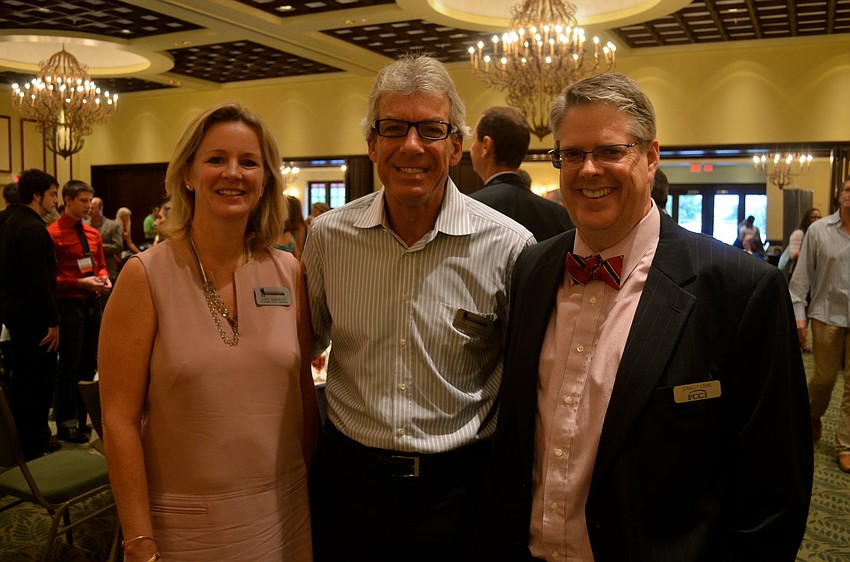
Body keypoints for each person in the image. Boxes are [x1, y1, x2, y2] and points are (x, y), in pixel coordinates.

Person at [479, 73, 813, 561]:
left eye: (610, 151)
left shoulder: (741, 290)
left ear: (652, 156)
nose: (588, 169)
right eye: (571, 154)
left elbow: (774, 496)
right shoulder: (533, 268)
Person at [302, 54, 534, 561]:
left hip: (462, 494)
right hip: (349, 490)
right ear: (372, 144)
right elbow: (300, 350)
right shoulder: (328, 238)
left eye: (431, 129)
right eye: (393, 128)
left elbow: (527, 383)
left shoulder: (509, 246)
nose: (411, 145)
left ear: (456, 146)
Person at [99, 102, 317, 562]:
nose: (233, 173)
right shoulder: (144, 276)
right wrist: (138, 539)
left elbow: (302, 394)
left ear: (265, 180)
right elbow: (119, 421)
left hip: (282, 513)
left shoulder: (288, 272)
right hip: (184, 525)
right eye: (216, 159)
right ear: (187, 174)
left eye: (249, 162)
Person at [790, 179, 850, 473]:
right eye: (848, 190)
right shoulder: (819, 230)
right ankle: (813, 412)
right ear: (839, 196)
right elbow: (802, 277)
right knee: (824, 380)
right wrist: (798, 314)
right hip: (826, 314)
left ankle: (845, 445)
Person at [0, 170, 60, 460]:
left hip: (16, 313)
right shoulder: (33, 228)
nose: (55, 200)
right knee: (36, 383)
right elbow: (39, 283)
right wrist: (53, 322)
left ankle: (18, 444)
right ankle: (34, 445)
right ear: (37, 196)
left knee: (22, 381)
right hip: (33, 318)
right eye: (53, 194)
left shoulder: (11, 222)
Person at [48, 180, 111, 444]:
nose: (88, 206)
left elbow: (101, 265)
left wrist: (104, 278)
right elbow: (49, 278)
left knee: (89, 363)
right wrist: (78, 283)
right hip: (68, 306)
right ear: (67, 200)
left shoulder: (93, 233)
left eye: (89, 201)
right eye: (83, 201)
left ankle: (84, 420)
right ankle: (66, 422)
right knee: (69, 365)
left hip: (92, 303)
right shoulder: (52, 233)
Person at [470, 106, 573, 242]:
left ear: (486, 146)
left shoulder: (469, 209)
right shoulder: (561, 215)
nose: (471, 148)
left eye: (473, 139)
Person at [88, 196, 124, 290]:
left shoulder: (112, 225)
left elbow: (118, 247)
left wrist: (98, 246)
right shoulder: (85, 225)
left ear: (101, 208)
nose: (90, 210)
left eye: (93, 208)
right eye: (89, 207)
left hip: (108, 270)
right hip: (89, 271)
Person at [779, 206, 822, 280]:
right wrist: (811, 258)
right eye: (813, 217)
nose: (816, 220)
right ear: (807, 219)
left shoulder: (820, 234)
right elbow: (793, 253)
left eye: (819, 217)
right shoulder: (799, 233)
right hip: (798, 271)